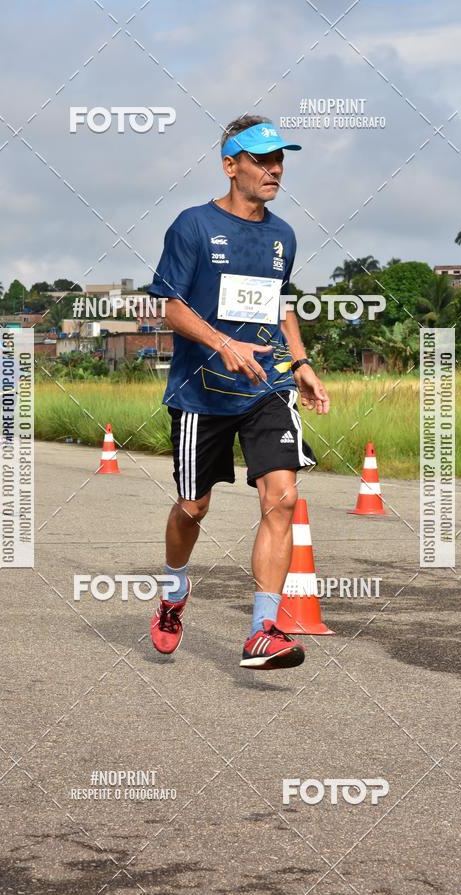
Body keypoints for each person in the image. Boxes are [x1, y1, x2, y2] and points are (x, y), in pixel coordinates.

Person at [148, 115, 330, 671]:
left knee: (283, 497)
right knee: (192, 507)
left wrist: (299, 361)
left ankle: (262, 630)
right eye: (261, 160)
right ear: (231, 166)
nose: (274, 169)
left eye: (280, 160)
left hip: (267, 387)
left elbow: (279, 303)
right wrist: (223, 343)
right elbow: (172, 306)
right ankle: (174, 592)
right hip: (202, 393)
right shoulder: (193, 226)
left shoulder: (283, 235)